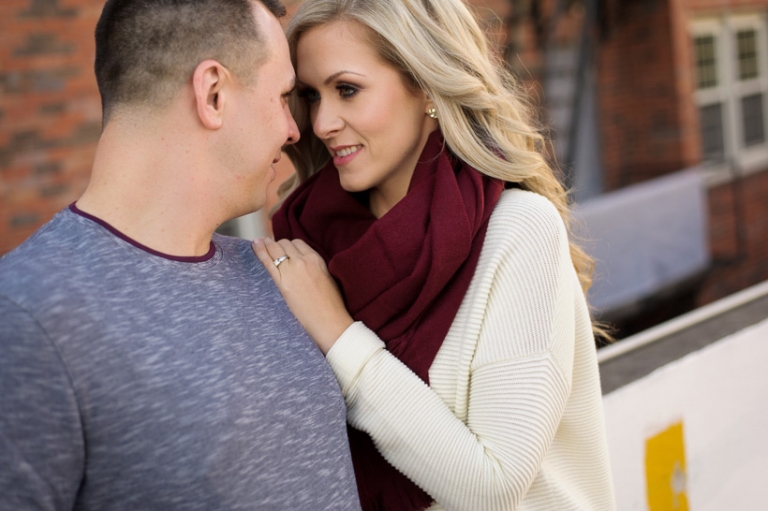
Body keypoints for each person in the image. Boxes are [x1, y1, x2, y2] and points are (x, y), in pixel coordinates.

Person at [252, 0, 616, 509]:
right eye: (311, 96)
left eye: (348, 90)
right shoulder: (303, 243)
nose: (323, 122)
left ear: (424, 84)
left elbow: (493, 484)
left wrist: (337, 334)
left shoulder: (517, 230)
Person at [0, 0, 362, 509]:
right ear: (212, 93)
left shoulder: (282, 275)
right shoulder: (26, 317)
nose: (295, 130)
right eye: (283, 96)